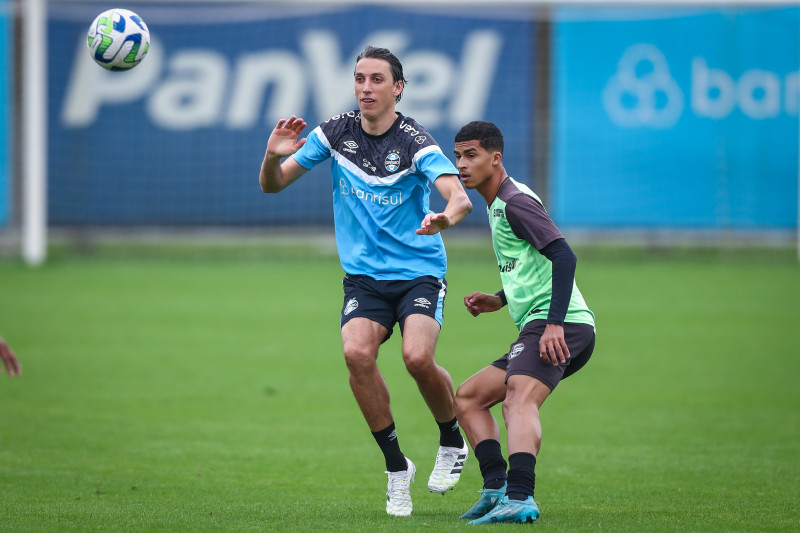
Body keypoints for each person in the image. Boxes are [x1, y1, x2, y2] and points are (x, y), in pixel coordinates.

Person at [258, 46, 473, 517]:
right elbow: (272, 184)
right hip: (364, 279)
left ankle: (451, 438)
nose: (366, 87)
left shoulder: (416, 141)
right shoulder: (335, 133)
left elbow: (459, 197)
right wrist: (272, 158)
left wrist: (446, 217)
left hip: (418, 272)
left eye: (377, 79)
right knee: (356, 354)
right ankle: (397, 468)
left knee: (417, 357)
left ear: (398, 88)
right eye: (359, 78)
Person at [451, 121, 595, 524]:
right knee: (469, 397)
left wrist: (554, 324)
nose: (461, 164)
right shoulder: (498, 202)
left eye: (471, 155)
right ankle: (496, 489)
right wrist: (500, 299)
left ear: (496, 158)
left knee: (518, 399)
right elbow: (532, 263)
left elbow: (564, 256)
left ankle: (520, 497)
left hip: (561, 325)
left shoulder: (514, 202)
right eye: (458, 156)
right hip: (543, 322)